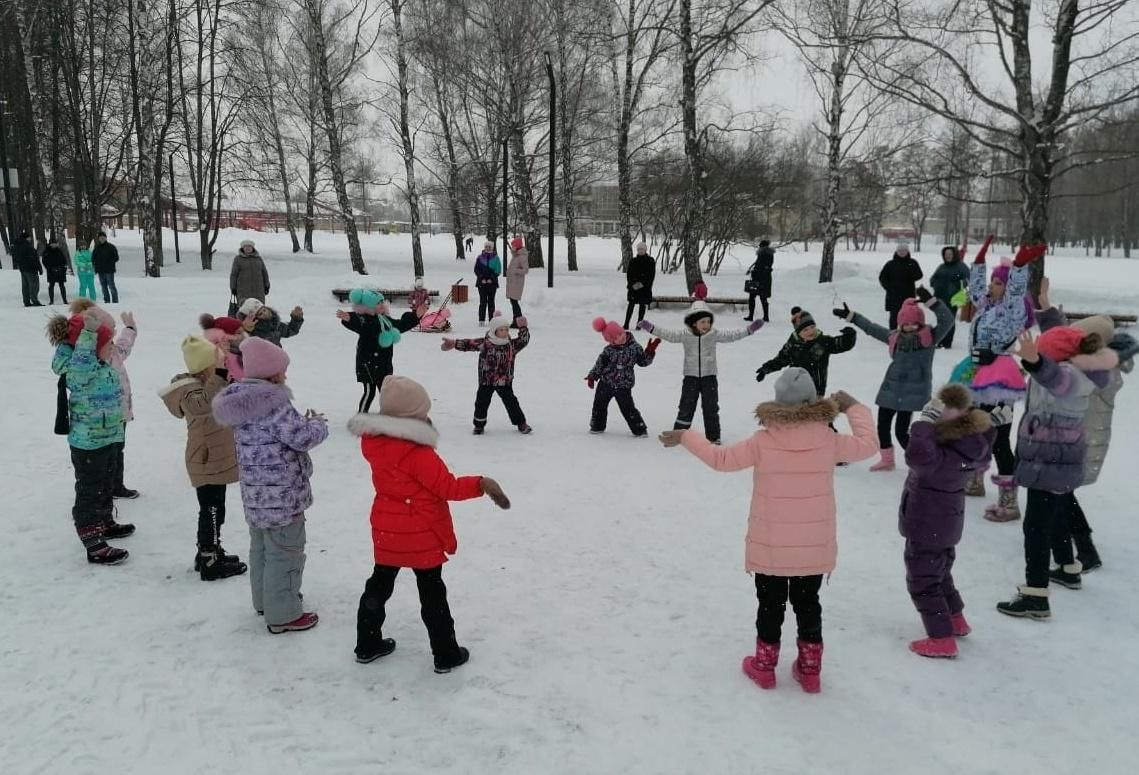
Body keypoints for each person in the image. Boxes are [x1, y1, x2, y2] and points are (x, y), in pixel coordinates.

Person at [659, 370, 878, 693]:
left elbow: (721, 459)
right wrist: (854, 408)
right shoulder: (829, 440)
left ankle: (764, 666)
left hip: (771, 547)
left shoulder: (763, 441)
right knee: (808, 603)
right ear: (814, 401)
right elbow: (868, 445)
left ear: (778, 403)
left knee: (770, 605)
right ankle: (810, 670)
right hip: (812, 549)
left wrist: (686, 436)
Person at [349, 376, 511, 671]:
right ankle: (446, 653)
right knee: (432, 593)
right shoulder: (417, 453)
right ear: (411, 416)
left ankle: (367, 642)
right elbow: (447, 487)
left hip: (387, 528)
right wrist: (481, 484)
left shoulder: (375, 443)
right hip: (420, 531)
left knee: (379, 584)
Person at [996, 327, 1116, 620]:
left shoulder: (1072, 376)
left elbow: (1055, 379)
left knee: (1035, 528)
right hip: (1055, 459)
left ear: (1059, 357)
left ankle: (1035, 596)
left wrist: (1035, 361)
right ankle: (1068, 568)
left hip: (1050, 460)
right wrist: (1047, 311)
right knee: (1059, 511)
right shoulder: (1074, 367)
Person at [212, 337, 329, 634]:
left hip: (256, 494)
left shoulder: (239, 401)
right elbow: (300, 437)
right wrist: (318, 425)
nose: (285, 376)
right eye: (282, 371)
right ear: (272, 374)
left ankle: (266, 600)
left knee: (262, 548)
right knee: (286, 552)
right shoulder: (275, 403)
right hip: (282, 495)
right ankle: (284, 614)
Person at [1035, 286, 1136, 574]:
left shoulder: (1095, 373)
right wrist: (1048, 311)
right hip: (1072, 440)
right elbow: (1061, 340)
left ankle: (1081, 552)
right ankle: (1075, 548)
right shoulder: (1090, 363)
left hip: (1079, 442)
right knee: (1061, 495)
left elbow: (1062, 357)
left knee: (1060, 495)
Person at [949, 236, 1044, 520]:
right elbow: (976, 290)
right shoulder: (987, 305)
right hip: (976, 374)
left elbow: (1015, 292)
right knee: (974, 431)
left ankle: (1009, 500)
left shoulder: (1011, 308)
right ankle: (975, 480)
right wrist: (977, 263)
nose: (992, 286)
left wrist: (1018, 266)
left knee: (1000, 438)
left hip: (1000, 378)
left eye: (998, 283)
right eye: (993, 281)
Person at [899, 385, 995, 658]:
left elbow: (918, 456)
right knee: (940, 574)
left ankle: (941, 637)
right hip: (945, 525)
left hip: (925, 522)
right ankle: (955, 618)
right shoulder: (969, 445)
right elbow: (985, 441)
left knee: (923, 581)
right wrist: (988, 425)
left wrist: (923, 424)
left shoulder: (940, 454)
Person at [159, 336, 248, 581]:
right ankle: (210, 560)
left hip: (214, 459)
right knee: (210, 509)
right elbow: (203, 404)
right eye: (215, 365)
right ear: (205, 367)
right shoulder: (190, 391)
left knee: (216, 508)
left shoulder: (207, 385)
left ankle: (210, 551)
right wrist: (219, 376)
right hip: (206, 460)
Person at [834, 289, 954, 471]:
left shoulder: (929, 338)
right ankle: (887, 460)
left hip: (913, 393)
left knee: (901, 432)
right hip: (891, 389)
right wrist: (852, 316)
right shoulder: (894, 338)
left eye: (915, 323)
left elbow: (948, 320)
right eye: (907, 323)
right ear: (900, 324)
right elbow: (871, 328)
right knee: (882, 427)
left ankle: (921, 461)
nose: (911, 326)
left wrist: (932, 303)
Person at [49, 311, 135, 565]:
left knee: (106, 483)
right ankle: (92, 540)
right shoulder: (80, 370)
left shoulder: (100, 364)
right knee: (90, 489)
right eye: (106, 345)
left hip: (107, 437)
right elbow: (80, 364)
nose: (111, 349)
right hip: (87, 442)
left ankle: (104, 521)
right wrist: (87, 336)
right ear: (90, 347)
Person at [637, 283, 764, 445]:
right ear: (693, 323)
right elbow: (668, 334)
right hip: (690, 376)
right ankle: (679, 435)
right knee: (686, 406)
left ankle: (713, 436)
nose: (706, 325)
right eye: (702, 322)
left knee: (711, 407)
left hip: (709, 377)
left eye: (708, 322)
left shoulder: (713, 334)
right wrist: (651, 328)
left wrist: (749, 330)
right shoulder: (685, 335)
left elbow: (732, 335)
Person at [70, 299, 140, 498]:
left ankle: (116, 485)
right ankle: (105, 487)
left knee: (118, 450)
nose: (113, 342)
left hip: (119, 413)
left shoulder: (113, 352)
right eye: (110, 337)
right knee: (106, 455)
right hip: (99, 420)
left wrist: (130, 328)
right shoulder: (88, 360)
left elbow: (124, 346)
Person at [442, 313, 532, 435]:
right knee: (481, 402)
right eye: (501, 330)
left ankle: (521, 423)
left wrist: (523, 328)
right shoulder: (486, 343)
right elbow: (470, 343)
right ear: (494, 331)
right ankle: (479, 425)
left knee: (511, 402)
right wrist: (454, 343)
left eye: (506, 329)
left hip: (504, 381)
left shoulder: (511, 345)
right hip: (486, 380)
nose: (505, 332)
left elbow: (523, 341)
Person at [337, 288, 421, 413]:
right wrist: (349, 317)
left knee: (386, 391)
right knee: (369, 392)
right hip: (367, 364)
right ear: (367, 306)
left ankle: (390, 414)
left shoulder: (386, 320)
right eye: (377, 303)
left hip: (383, 364)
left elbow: (401, 325)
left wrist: (415, 316)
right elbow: (358, 321)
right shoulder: (366, 320)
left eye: (382, 301)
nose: (381, 304)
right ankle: (361, 415)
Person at [755, 307, 857, 397]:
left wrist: (849, 337)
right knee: (795, 415)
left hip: (816, 390)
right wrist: (766, 368)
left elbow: (840, 344)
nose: (810, 331)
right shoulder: (792, 345)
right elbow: (781, 360)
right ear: (798, 333)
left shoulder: (824, 342)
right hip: (795, 387)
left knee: (813, 416)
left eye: (812, 327)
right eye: (805, 330)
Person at [586, 318, 661, 436]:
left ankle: (639, 429)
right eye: (616, 338)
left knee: (628, 408)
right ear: (611, 341)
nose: (621, 337)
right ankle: (597, 426)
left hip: (624, 385)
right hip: (605, 383)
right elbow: (600, 364)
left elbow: (643, 362)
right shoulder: (608, 351)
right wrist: (592, 376)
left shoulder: (635, 347)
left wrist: (650, 352)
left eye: (621, 333)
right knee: (599, 405)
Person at [929, 245, 970, 348]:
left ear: (954, 255)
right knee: (941, 318)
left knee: (949, 319)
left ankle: (946, 342)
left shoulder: (961, 266)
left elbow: (969, 280)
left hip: (953, 298)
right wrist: (934, 282)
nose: (947, 256)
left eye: (950, 254)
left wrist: (956, 285)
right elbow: (933, 278)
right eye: (946, 254)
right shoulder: (941, 266)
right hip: (939, 296)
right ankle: (940, 339)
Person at [878, 243, 923, 329]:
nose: (902, 252)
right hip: (893, 295)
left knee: (910, 314)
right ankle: (893, 334)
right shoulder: (890, 264)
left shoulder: (912, 263)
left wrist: (910, 277)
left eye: (904, 250)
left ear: (907, 252)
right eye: (900, 251)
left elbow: (919, 274)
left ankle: (910, 333)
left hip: (908, 294)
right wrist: (888, 287)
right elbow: (882, 277)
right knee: (894, 316)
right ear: (897, 252)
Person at [237, 298, 304, 346]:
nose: (265, 313)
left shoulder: (274, 324)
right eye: (260, 314)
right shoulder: (253, 331)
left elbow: (290, 330)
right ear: (254, 319)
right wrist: (246, 330)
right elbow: (240, 344)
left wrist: (296, 319)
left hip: (276, 359)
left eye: (264, 310)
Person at [624, 242, 656, 330]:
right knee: (631, 305)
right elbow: (629, 274)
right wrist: (632, 284)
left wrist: (642, 284)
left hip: (644, 288)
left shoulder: (650, 261)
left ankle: (639, 324)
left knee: (642, 306)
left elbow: (651, 275)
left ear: (645, 250)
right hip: (633, 288)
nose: (640, 251)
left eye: (642, 249)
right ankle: (626, 323)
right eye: (639, 249)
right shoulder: (633, 261)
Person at [229, 239, 270, 307]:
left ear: (252, 248)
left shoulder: (258, 258)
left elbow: (264, 272)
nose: (247, 248)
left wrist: (267, 285)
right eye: (245, 246)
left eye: (249, 246)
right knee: (245, 308)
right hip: (243, 291)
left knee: (259, 308)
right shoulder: (238, 259)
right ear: (242, 248)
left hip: (258, 290)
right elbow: (234, 274)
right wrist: (233, 287)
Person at [745, 240, 774, 322]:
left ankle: (751, 316)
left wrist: (754, 273)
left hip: (758, 279)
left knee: (752, 297)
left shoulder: (762, 254)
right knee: (763, 298)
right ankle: (766, 316)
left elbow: (759, 267)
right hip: (766, 279)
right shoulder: (770, 254)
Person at [473, 241, 501, 326]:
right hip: (482, 283)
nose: (488, 248)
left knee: (491, 301)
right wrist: (482, 278)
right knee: (482, 302)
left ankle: (491, 320)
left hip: (492, 283)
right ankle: (481, 320)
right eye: (486, 247)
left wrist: (491, 279)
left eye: (489, 247)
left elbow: (498, 270)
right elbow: (476, 269)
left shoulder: (496, 258)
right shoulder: (479, 258)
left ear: (492, 248)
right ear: (484, 247)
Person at [13, 232, 43, 307]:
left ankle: (26, 301)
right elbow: (34, 258)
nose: (30, 239)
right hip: (31, 269)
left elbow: (15, 257)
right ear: (26, 238)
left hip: (23, 269)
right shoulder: (27, 247)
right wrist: (39, 268)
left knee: (25, 286)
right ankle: (35, 300)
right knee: (34, 285)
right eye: (29, 237)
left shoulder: (17, 246)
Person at [506, 237, 529, 324]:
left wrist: (515, 270)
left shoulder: (522, 257)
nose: (512, 247)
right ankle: (516, 319)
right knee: (513, 301)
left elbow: (525, 270)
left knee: (514, 301)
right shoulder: (516, 256)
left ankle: (517, 320)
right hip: (513, 282)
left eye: (513, 246)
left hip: (517, 283)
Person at [91, 231, 119, 304]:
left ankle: (115, 301)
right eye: (100, 238)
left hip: (109, 270)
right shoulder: (97, 248)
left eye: (103, 237)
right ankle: (107, 300)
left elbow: (116, 257)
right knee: (103, 287)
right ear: (99, 239)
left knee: (111, 286)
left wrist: (110, 262)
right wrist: (95, 266)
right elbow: (93, 259)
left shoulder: (111, 247)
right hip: (100, 270)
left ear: (106, 238)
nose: (102, 239)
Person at [42, 237, 69, 305]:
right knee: (51, 285)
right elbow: (44, 261)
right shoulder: (46, 251)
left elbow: (64, 260)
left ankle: (65, 300)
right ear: (50, 244)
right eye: (52, 243)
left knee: (62, 285)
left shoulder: (59, 250)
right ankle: (51, 300)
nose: (54, 245)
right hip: (51, 271)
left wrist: (64, 268)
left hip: (60, 270)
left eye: (55, 243)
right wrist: (50, 268)